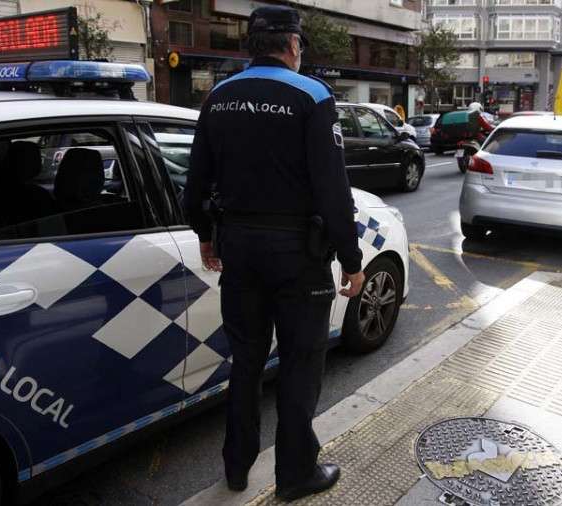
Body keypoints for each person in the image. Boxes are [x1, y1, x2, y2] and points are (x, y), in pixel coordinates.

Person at [184, 5, 365, 503]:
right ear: (292, 45)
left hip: (239, 250)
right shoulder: (312, 95)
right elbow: (332, 190)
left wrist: (206, 233)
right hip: (298, 257)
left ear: (252, 47)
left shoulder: (218, 97)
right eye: (300, 45)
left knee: (245, 363)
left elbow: (195, 182)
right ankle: (295, 475)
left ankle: (237, 469)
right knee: (300, 365)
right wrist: (351, 259)